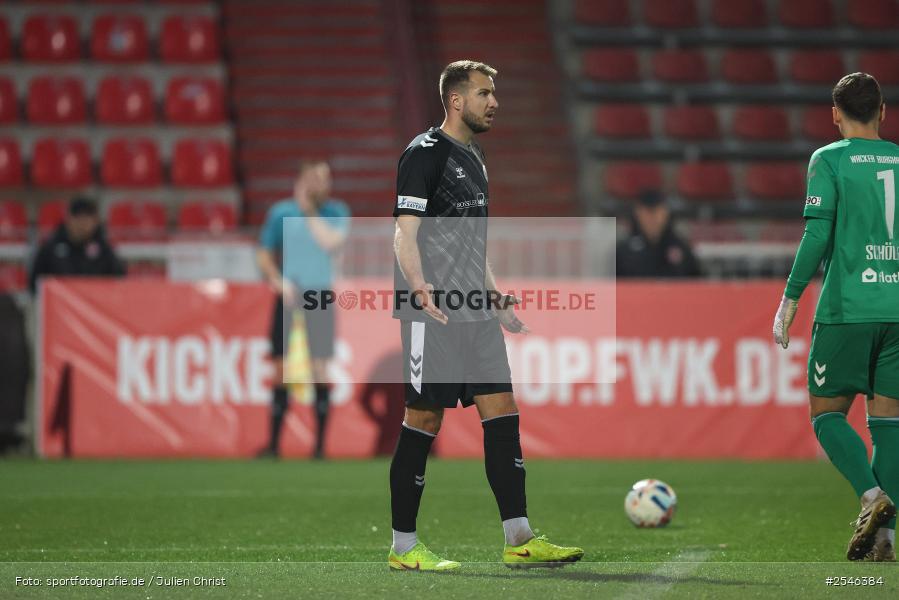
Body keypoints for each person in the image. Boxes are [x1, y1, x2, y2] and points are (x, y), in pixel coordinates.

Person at [388, 60, 583, 571]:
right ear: (456, 101)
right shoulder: (423, 154)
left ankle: (519, 538)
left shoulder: (476, 156)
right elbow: (404, 231)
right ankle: (403, 548)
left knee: (503, 412)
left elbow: (474, 242)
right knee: (423, 419)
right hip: (432, 313)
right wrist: (419, 288)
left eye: (493, 93)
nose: (494, 102)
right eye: (484, 93)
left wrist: (495, 298)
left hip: (475, 311)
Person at [773, 72, 899, 562]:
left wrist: (790, 298)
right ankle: (885, 541)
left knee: (826, 414)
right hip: (896, 310)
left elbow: (817, 235)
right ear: (882, 112)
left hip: (849, 308)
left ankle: (872, 496)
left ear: (835, 114)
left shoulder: (829, 159)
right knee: (888, 422)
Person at [257, 160, 350, 459]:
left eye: (326, 178)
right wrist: (277, 281)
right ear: (303, 180)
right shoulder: (280, 213)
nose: (324, 184)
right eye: (317, 178)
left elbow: (331, 244)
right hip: (288, 295)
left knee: (320, 367)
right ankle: (274, 445)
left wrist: (309, 211)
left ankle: (319, 446)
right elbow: (264, 253)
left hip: (319, 295)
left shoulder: (336, 212)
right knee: (281, 368)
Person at [29, 196, 125, 293]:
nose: (82, 223)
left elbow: (119, 279)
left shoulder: (104, 249)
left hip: (92, 301)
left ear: (95, 221)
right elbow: (35, 282)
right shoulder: (51, 248)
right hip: (60, 301)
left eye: (87, 218)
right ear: (69, 218)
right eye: (78, 217)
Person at [616, 189, 701, 278]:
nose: (652, 218)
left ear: (666, 213)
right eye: (647, 213)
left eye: (657, 212)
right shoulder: (624, 251)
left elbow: (697, 281)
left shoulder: (681, 248)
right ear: (638, 214)